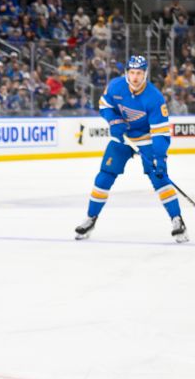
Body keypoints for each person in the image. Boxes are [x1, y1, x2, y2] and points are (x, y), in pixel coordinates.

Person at [75, 55, 188, 242]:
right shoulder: (115, 86)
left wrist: (160, 158)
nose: (135, 77)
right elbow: (104, 106)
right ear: (127, 73)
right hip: (123, 138)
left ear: (145, 74)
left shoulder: (154, 97)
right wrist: (113, 120)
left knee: (159, 178)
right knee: (104, 175)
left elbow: (160, 133)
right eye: (132, 73)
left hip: (147, 140)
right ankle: (90, 218)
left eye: (139, 73)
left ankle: (177, 220)